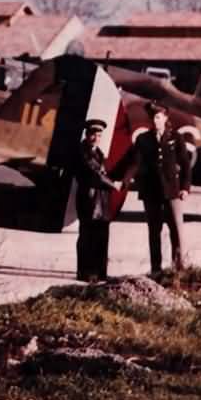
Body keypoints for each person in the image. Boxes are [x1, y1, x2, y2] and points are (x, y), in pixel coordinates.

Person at [114, 101, 192, 277]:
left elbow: (185, 165)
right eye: (152, 117)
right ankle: (156, 269)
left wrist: (185, 188)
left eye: (158, 117)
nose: (155, 121)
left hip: (173, 192)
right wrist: (124, 181)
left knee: (176, 230)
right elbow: (135, 163)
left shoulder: (176, 138)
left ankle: (178, 269)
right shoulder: (143, 139)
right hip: (151, 192)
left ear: (165, 118)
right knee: (154, 232)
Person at [73, 119, 121, 282]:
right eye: (93, 135)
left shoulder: (98, 153)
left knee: (101, 236)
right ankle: (85, 272)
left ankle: (100, 272)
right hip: (89, 199)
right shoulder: (82, 152)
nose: (96, 138)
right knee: (87, 236)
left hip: (100, 200)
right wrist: (114, 185)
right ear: (87, 134)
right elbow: (94, 175)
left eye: (99, 135)